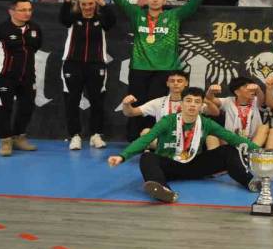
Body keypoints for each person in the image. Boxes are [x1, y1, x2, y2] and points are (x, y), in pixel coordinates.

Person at [101, 0, 211, 140]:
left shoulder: (173, 16)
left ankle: (155, 138)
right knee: (136, 102)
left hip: (165, 68)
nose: (154, 0)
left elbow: (192, 6)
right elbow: (120, 1)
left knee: (159, 105)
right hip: (139, 67)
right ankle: (134, 138)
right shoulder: (137, 14)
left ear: (164, 0)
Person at [107, 87, 260, 203]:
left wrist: (260, 151)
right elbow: (145, 140)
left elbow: (232, 138)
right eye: (188, 101)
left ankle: (250, 182)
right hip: (169, 167)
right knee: (147, 157)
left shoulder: (206, 123)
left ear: (201, 106)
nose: (192, 105)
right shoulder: (168, 121)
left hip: (195, 165)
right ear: (182, 103)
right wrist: (122, 156)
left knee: (228, 150)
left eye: (197, 102)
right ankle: (163, 190)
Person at [0, 0, 43, 156]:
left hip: (27, 76)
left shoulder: (35, 28)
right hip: (3, 77)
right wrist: (0, 69)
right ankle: (5, 141)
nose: (27, 13)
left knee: (27, 107)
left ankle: (19, 137)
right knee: (3, 109)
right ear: (11, 11)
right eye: (22, 10)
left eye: (29, 10)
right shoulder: (0, 30)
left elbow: (35, 48)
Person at [59, 0, 116, 150]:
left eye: (90, 4)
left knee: (97, 101)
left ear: (95, 4)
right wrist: (68, 1)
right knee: (72, 101)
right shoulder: (73, 19)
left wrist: (104, 4)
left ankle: (96, 135)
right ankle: (75, 136)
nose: (87, 7)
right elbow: (63, 18)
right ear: (79, 5)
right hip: (72, 64)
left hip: (96, 65)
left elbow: (112, 21)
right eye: (83, 4)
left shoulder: (101, 20)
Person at [204, 79, 269, 150]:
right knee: (212, 137)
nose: (252, 90)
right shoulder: (228, 101)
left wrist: (258, 89)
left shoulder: (256, 100)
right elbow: (211, 98)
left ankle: (251, 150)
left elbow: (262, 99)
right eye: (246, 87)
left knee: (264, 128)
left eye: (253, 88)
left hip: (254, 140)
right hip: (232, 140)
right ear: (237, 92)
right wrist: (210, 90)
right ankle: (224, 154)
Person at [121, 72, 189, 138]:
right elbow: (131, 113)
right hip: (164, 140)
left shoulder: (193, 102)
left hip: (186, 139)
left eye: (179, 81)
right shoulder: (158, 102)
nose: (175, 83)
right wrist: (126, 104)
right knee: (146, 132)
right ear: (167, 83)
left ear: (186, 83)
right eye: (172, 81)